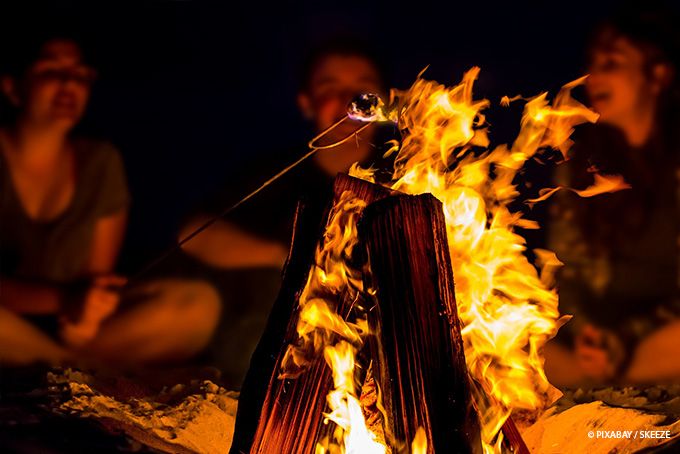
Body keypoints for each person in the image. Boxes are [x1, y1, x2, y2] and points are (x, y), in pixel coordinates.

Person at [177, 38, 395, 386]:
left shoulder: (408, 180)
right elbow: (195, 235)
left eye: (363, 92)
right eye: (330, 89)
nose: (347, 103)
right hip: (263, 354)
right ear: (307, 104)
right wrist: (285, 257)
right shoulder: (279, 176)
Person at [0, 32, 221, 367]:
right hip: (10, 324)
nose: (68, 84)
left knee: (198, 303)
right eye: (50, 71)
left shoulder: (100, 163)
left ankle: (56, 363)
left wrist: (87, 316)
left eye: (79, 75)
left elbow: (96, 281)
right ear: (12, 87)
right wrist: (64, 300)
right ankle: (61, 367)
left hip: (68, 333)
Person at [544, 9, 680, 387]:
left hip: (662, 342)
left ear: (658, 75)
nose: (596, 77)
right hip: (606, 350)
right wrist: (590, 332)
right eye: (593, 65)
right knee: (544, 355)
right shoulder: (580, 168)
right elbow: (570, 272)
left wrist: (629, 340)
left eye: (612, 63)